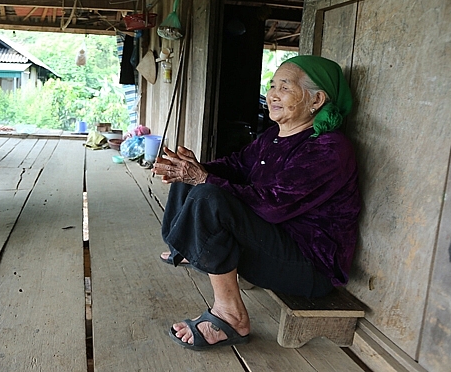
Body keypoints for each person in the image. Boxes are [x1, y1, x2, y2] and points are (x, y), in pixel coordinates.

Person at [152, 55, 361, 350]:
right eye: (273, 85)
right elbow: (237, 165)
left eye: (285, 88)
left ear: (317, 100)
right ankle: (189, 248)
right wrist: (192, 168)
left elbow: (273, 206)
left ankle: (231, 315)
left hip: (308, 265)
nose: (273, 95)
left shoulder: (329, 148)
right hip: (273, 243)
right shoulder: (274, 135)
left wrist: (204, 178)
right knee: (192, 177)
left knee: (207, 194)